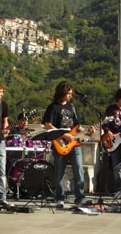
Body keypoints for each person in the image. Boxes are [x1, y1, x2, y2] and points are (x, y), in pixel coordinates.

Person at [42, 80, 94, 208]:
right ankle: (59, 198)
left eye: (71, 93)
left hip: (74, 143)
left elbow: (77, 127)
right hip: (59, 143)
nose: (71, 96)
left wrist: (88, 132)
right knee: (60, 172)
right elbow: (48, 125)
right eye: (69, 93)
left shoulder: (72, 107)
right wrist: (63, 135)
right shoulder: (53, 107)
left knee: (79, 169)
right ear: (62, 93)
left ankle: (80, 198)